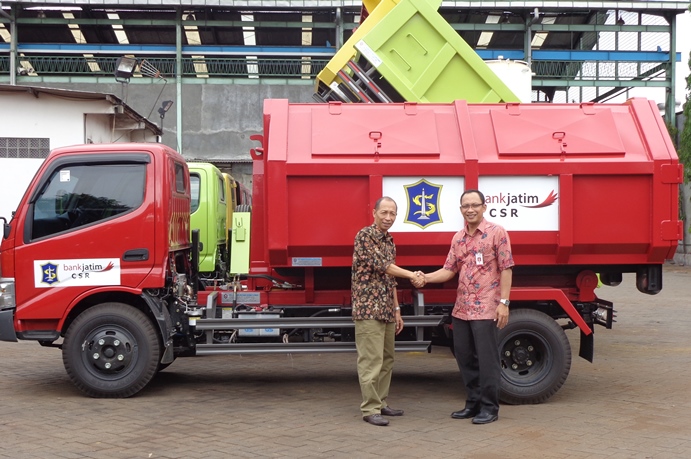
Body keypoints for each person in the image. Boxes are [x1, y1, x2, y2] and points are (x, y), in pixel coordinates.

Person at [422, 189, 514, 425]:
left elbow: (507, 268)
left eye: (475, 205)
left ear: (484, 207)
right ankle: (472, 403)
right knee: (464, 357)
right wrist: (424, 278)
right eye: (466, 206)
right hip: (462, 308)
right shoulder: (458, 238)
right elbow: (449, 270)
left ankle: (490, 408)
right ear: (461, 209)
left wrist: (504, 303)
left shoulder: (497, 233)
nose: (470, 209)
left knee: (487, 359)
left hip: (487, 307)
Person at [351, 196, 425, 427]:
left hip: (385, 308)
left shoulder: (389, 240)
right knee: (371, 360)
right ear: (374, 212)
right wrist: (413, 275)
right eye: (384, 212)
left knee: (386, 359)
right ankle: (370, 408)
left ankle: (381, 402)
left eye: (392, 213)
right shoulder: (364, 236)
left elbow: (389, 277)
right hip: (368, 309)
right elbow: (383, 265)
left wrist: (396, 309)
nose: (388, 217)